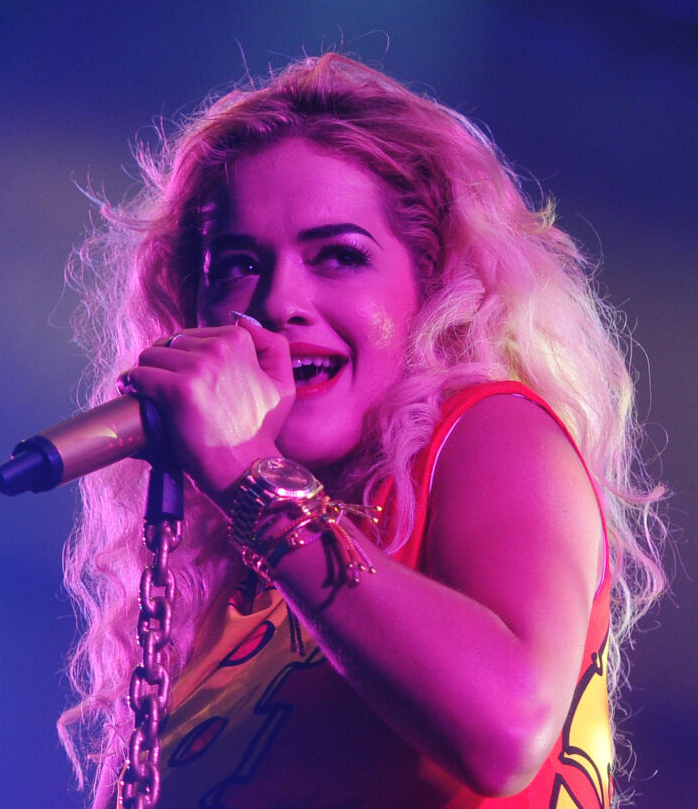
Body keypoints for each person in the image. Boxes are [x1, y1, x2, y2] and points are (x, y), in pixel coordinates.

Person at [58, 54, 667, 808]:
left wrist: (249, 475)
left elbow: (508, 729)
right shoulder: (234, 590)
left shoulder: (489, 430)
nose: (276, 302)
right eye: (236, 266)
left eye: (339, 257)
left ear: (435, 287)